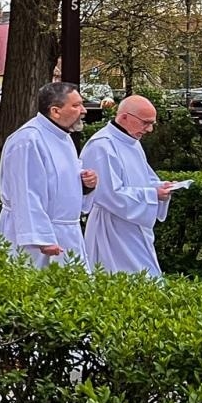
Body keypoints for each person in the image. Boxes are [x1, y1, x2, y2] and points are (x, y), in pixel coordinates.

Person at [0, 81, 96, 270]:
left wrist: (86, 184)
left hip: (66, 231)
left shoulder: (63, 137)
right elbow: (25, 192)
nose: (83, 110)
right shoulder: (28, 140)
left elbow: (60, 181)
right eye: (76, 105)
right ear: (55, 111)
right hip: (37, 237)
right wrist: (42, 238)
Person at [81, 95, 176, 277]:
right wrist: (152, 195)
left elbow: (144, 179)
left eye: (152, 123)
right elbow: (108, 195)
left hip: (133, 226)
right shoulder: (102, 146)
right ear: (124, 117)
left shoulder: (132, 142)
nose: (149, 129)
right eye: (145, 123)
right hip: (111, 229)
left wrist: (161, 187)